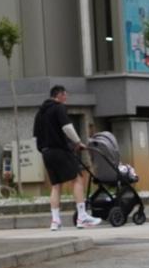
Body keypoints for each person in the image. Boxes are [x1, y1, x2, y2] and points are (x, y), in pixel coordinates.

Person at [32, 85, 100, 230]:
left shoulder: (40, 113)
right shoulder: (58, 108)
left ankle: (55, 221)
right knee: (77, 178)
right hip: (60, 150)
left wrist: (44, 149)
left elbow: (36, 136)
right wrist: (77, 142)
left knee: (56, 186)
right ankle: (82, 217)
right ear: (59, 95)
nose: (66, 98)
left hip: (46, 152)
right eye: (65, 95)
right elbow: (67, 128)